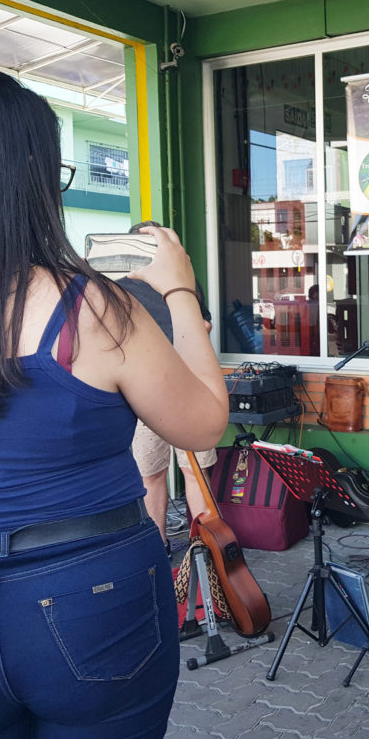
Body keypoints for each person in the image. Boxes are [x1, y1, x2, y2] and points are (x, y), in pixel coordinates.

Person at [0, 68, 228, 739]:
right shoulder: (95, 307)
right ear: (33, 175)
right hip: (89, 594)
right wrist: (180, 293)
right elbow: (203, 420)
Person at [118, 221, 218, 557]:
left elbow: (204, 322)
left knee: (195, 473)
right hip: (146, 388)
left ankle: (204, 547)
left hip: (186, 383)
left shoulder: (182, 281)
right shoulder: (118, 285)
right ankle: (158, 544)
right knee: (152, 474)